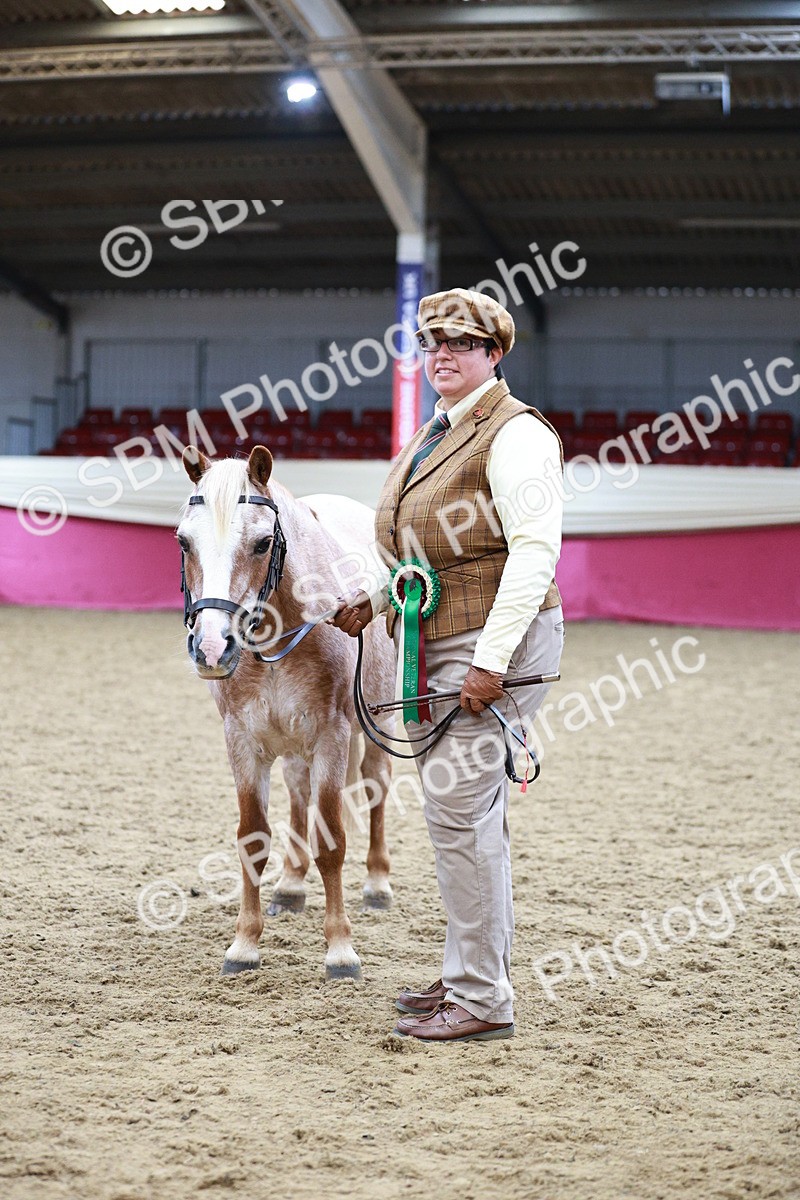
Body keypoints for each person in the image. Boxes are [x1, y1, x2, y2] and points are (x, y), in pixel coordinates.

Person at [331, 287, 564, 1042]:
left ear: (493, 354)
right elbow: (421, 550)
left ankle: (483, 999)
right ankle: (471, 972)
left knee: (459, 815)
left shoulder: (516, 433)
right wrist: (373, 598)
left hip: (489, 645)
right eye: (432, 342)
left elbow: (534, 553)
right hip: (438, 639)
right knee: (464, 819)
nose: (441, 354)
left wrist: (489, 663)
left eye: (460, 343)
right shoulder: (438, 432)